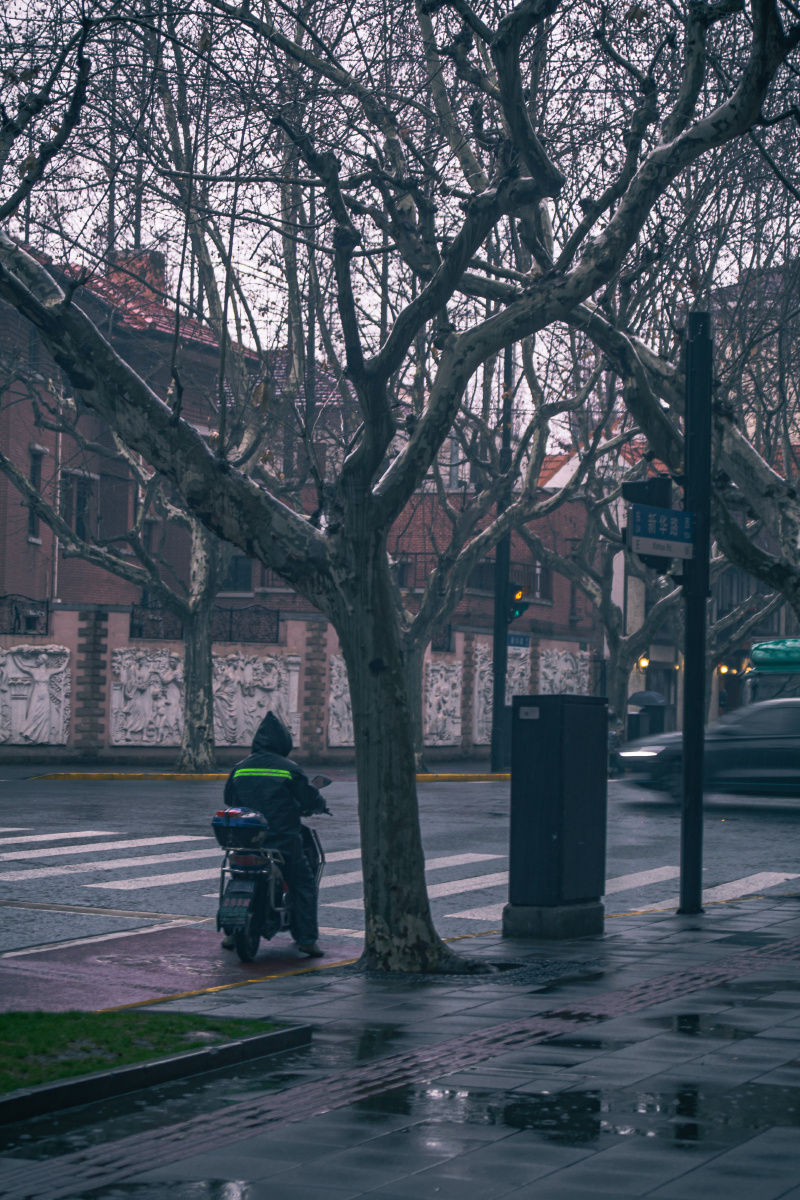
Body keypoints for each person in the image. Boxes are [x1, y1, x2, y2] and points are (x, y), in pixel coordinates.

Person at [222, 711, 329, 957]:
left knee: (234, 875)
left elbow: (228, 798)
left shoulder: (240, 768)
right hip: (282, 841)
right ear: (283, 743)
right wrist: (318, 806)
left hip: (245, 842)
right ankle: (306, 939)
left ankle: (230, 933)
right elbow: (309, 797)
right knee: (303, 883)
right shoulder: (289, 768)